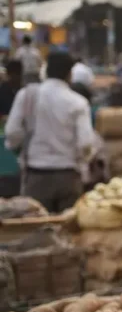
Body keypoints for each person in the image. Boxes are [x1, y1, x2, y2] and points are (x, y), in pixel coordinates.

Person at [4, 52, 95, 213]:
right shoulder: (78, 102)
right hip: (68, 176)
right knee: (68, 230)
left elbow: (12, 133)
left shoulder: (26, 96)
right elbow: (86, 144)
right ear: (70, 74)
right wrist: (80, 163)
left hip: (36, 176)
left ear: (45, 71)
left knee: (36, 228)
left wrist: (19, 150)